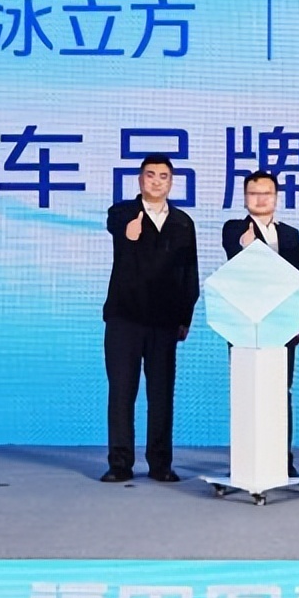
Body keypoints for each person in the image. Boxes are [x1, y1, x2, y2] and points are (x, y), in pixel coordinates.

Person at [101, 155, 200, 483]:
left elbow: (190, 273)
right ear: (140, 179)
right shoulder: (122, 213)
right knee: (122, 392)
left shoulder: (183, 222)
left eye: (163, 176)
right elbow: (117, 228)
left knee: (161, 394)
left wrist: (185, 316)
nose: (156, 181)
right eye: (150, 175)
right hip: (124, 318)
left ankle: (160, 464)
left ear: (171, 182)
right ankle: (120, 463)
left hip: (164, 320)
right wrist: (128, 234)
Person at [221, 171, 299, 478]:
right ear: (245, 198)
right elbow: (238, 260)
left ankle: (282, 458)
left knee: (280, 392)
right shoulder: (234, 228)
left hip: (282, 324)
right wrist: (248, 248)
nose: (260, 199)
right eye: (254, 193)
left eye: (266, 193)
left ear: (276, 197)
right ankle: (246, 461)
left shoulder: (291, 234)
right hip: (244, 324)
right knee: (247, 392)